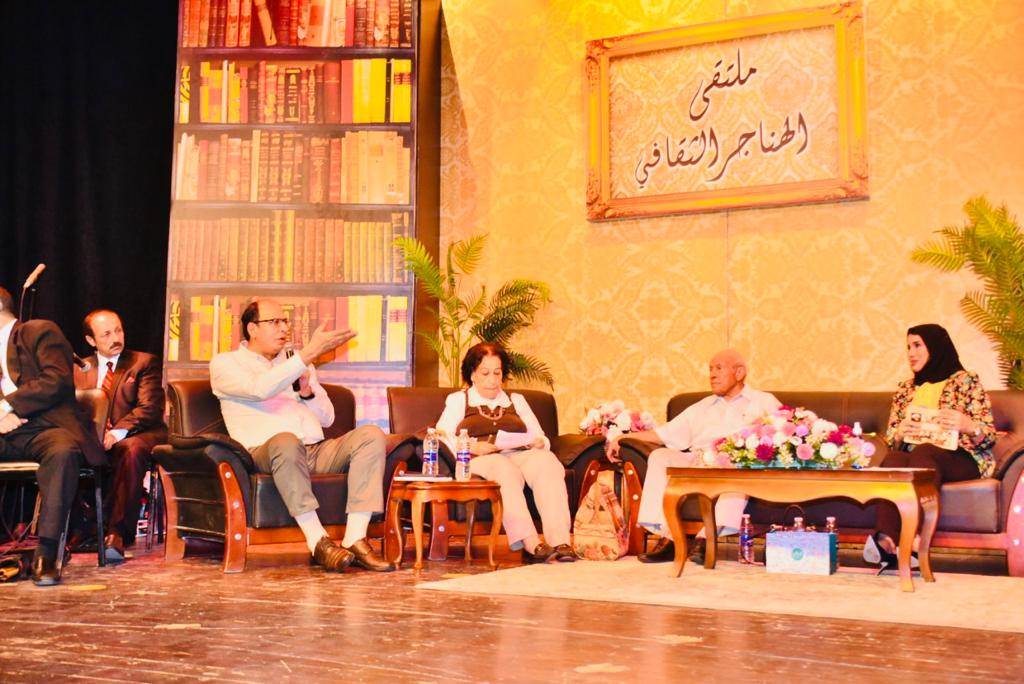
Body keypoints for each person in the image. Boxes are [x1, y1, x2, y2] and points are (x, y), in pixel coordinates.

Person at [209, 298, 393, 572]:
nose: (284, 328)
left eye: (285, 321)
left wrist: (307, 392)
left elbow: (328, 417)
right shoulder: (226, 364)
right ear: (252, 328)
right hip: (266, 452)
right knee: (286, 440)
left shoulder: (296, 363)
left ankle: (355, 537)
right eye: (274, 322)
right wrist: (305, 357)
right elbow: (259, 389)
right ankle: (317, 540)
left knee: (371, 435)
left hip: (314, 449)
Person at [606, 349, 780, 564]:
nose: (712, 375)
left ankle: (706, 539)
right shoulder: (702, 406)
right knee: (660, 456)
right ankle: (670, 538)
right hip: (699, 460)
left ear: (739, 372)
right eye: (710, 369)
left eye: (719, 368)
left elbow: (781, 434)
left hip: (735, 464)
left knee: (738, 467)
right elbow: (664, 434)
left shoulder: (763, 401)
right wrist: (622, 438)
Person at [865, 324, 995, 567]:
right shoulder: (905, 389)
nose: (911, 353)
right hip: (917, 456)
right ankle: (886, 541)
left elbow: (988, 437)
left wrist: (968, 425)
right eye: (908, 347)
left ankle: (917, 539)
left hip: (961, 458)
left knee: (924, 452)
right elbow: (891, 438)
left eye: (917, 345)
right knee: (893, 459)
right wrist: (899, 433)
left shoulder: (966, 381)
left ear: (935, 347)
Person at [0, 286, 105, 585]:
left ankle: (46, 554)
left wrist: (8, 407)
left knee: (62, 453)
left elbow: (56, 380)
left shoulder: (38, 331)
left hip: (46, 426)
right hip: (5, 428)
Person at [434, 342, 575, 563]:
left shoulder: (516, 400)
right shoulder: (459, 400)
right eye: (485, 373)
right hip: (480, 458)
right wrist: (470, 446)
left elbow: (540, 436)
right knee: (504, 468)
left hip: (518, 453)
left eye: (497, 373)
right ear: (472, 374)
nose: (492, 380)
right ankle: (531, 543)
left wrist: (538, 442)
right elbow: (441, 435)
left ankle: (560, 541)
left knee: (547, 462)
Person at [73, 309, 167, 561]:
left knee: (130, 449)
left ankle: (117, 533)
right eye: (106, 334)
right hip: (94, 437)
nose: (115, 338)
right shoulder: (79, 369)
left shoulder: (143, 362)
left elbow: (149, 408)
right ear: (91, 340)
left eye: (118, 331)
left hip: (140, 432)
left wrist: (116, 433)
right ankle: (79, 529)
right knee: (62, 450)